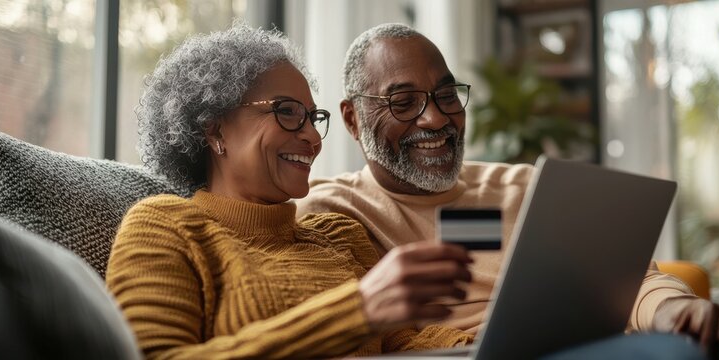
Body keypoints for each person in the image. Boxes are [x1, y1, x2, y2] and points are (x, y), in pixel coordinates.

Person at [296, 23, 719, 359]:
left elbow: (631, 279)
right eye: (403, 102)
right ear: (353, 119)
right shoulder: (328, 211)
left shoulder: (524, 186)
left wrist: (673, 308)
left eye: (445, 95)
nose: (436, 118)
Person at [105, 23, 479, 359]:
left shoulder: (339, 235)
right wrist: (356, 311)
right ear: (215, 129)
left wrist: (491, 342)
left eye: (314, 118)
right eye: (287, 112)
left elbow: (402, 344)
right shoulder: (165, 228)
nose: (313, 137)